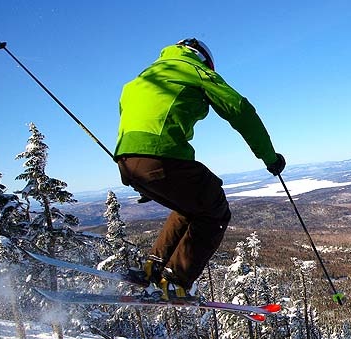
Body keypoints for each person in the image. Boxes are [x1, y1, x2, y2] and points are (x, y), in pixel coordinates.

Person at [114, 38, 285, 300]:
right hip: (162, 155)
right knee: (214, 209)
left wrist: (146, 177)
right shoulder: (194, 69)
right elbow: (240, 109)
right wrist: (269, 157)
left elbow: (132, 113)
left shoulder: (142, 78)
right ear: (204, 58)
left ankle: (153, 266)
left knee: (190, 206)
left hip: (127, 160)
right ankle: (176, 281)